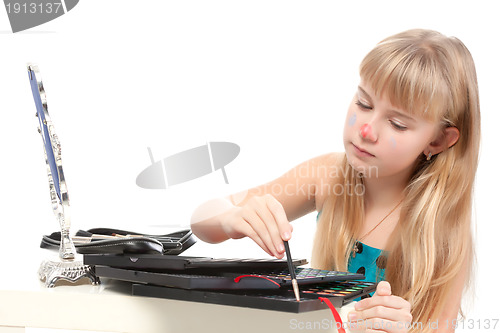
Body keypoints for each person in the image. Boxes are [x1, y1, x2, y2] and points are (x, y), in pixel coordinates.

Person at [191, 29, 480, 332]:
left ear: (438, 140)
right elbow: (200, 222)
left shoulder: (443, 229)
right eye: (364, 103)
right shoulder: (326, 176)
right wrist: (230, 219)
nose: (367, 130)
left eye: (397, 123)